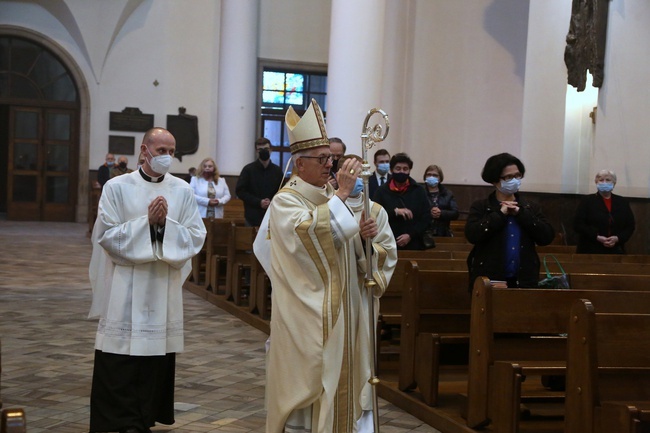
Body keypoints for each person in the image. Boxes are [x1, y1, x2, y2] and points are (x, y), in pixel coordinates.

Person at [259, 100, 396, 432]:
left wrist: (364, 243)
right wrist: (343, 195)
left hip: (345, 310)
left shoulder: (329, 197)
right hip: (307, 312)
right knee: (309, 382)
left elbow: (349, 253)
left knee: (345, 378)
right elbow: (309, 236)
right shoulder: (287, 200)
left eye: (330, 159)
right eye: (322, 159)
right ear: (299, 164)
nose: (329, 164)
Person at [88, 127, 206, 433]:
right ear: (144, 150)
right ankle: (118, 420)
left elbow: (195, 236)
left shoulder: (182, 190)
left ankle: (144, 417)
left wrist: (165, 226)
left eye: (172, 151)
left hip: (161, 285)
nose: (167, 156)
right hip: (125, 285)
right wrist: (147, 223)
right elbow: (104, 235)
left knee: (155, 356)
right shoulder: (116, 187)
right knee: (120, 355)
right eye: (161, 150)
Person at [465, 153, 555, 289]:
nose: (514, 180)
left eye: (517, 176)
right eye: (508, 177)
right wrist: (500, 214)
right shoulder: (481, 206)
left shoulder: (529, 207)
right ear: (495, 180)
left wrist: (521, 213)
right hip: (491, 280)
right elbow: (473, 234)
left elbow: (546, 237)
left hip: (525, 281)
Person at [373, 152, 431, 250]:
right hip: (387, 243)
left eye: (405, 169)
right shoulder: (382, 191)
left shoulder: (419, 190)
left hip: (414, 243)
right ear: (391, 170)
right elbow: (375, 214)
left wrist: (410, 235)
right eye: (398, 168)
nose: (402, 172)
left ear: (409, 171)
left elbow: (426, 217)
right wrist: (394, 212)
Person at [573, 169, 635, 254]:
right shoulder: (587, 201)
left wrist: (617, 238)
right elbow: (578, 224)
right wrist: (596, 237)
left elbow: (630, 226)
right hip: (590, 249)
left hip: (616, 249)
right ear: (596, 182)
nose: (604, 182)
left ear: (614, 183)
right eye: (601, 180)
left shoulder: (622, 202)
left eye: (608, 180)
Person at [235, 137, 284, 226]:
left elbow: (282, 191)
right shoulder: (248, 170)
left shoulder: (277, 171)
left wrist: (271, 201)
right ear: (256, 151)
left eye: (266, 149)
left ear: (271, 150)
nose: (263, 151)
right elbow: (240, 191)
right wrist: (258, 202)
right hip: (252, 216)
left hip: (272, 215)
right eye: (260, 149)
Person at [422, 164, 459, 237]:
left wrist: (441, 213)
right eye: (429, 174)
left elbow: (455, 213)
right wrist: (429, 212)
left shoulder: (447, 194)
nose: (431, 177)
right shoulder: (420, 192)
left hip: (443, 233)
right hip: (424, 233)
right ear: (425, 177)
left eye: (435, 175)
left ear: (440, 178)